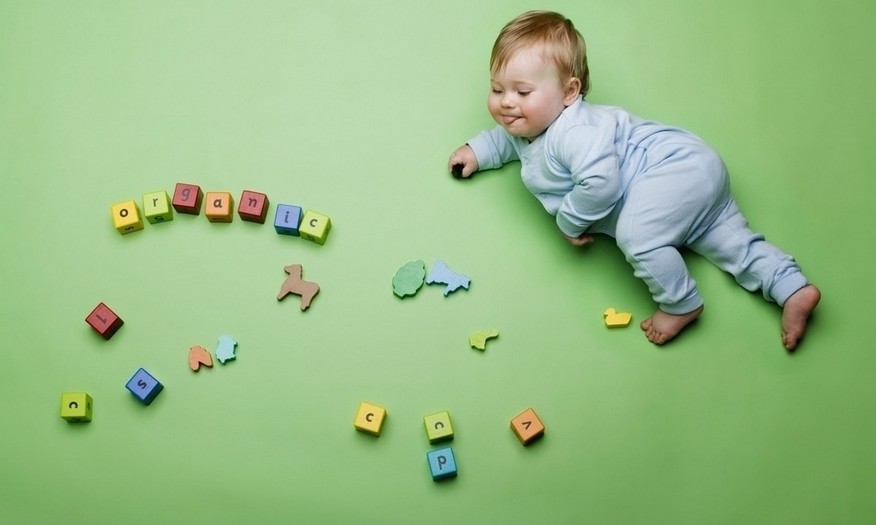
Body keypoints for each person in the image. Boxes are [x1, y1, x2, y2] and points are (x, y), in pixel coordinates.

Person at [447, 10, 820, 350]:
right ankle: (791, 289)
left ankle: (680, 304)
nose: (506, 103)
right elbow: (512, 140)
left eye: (522, 92)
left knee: (637, 236)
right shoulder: (535, 125)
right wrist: (477, 152)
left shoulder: (574, 132)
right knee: (728, 238)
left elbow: (601, 184)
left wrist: (570, 220)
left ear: (569, 92)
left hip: (671, 169)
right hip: (692, 178)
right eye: (497, 89)